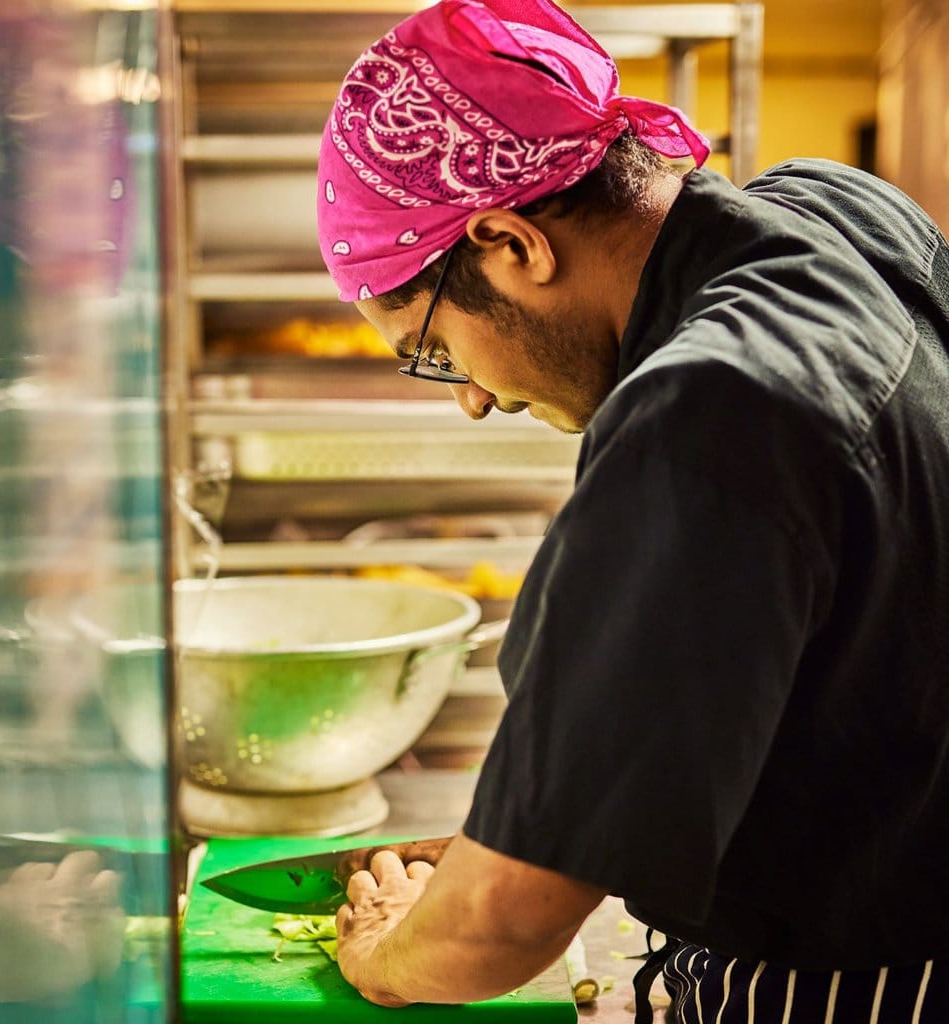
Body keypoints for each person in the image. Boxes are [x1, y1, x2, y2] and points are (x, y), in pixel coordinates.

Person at [316, 1, 949, 1021]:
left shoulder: (703, 412)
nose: (471, 398)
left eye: (433, 348)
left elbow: (501, 925)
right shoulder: (841, 212)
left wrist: (389, 952)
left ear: (511, 242)